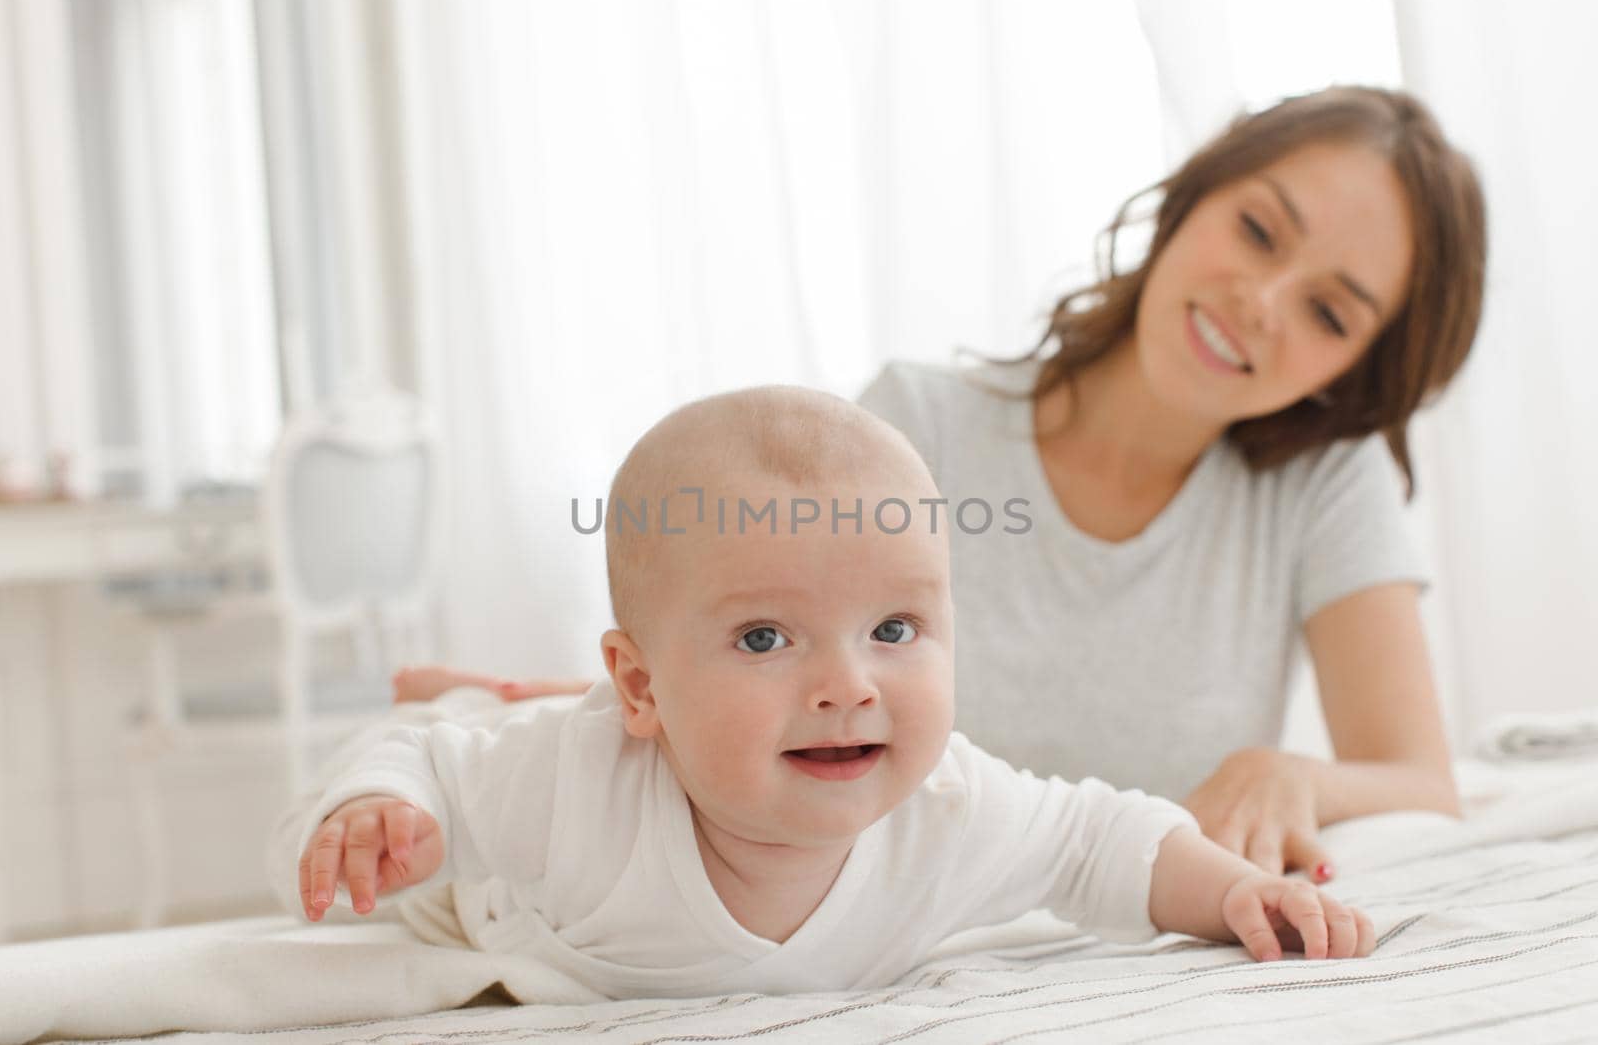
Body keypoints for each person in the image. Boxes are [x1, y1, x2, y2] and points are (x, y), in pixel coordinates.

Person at [393, 85, 1485, 887]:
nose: (1260, 300)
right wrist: (563, 713)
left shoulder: (1323, 486)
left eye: (1330, 312)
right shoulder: (917, 428)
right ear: (1190, 202)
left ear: (1359, 367)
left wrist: (1289, 773)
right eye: (1256, 230)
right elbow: (751, 675)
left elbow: (1420, 778)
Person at [284, 387, 1374, 1001]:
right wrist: (381, 807)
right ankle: (488, 695)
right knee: (450, 739)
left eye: (894, 630)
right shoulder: (571, 786)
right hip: (494, 889)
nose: (847, 686)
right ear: (643, 684)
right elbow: (422, 766)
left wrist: (1236, 892)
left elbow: (1100, 840)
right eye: (765, 636)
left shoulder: (945, 805)